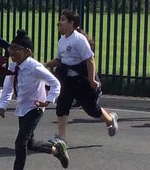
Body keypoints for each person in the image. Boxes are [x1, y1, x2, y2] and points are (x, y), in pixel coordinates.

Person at [0, 33, 68, 170]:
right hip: (22, 107)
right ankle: (56, 150)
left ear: (27, 52)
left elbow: (55, 83)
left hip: (35, 107)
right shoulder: (13, 66)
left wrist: (48, 100)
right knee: (31, 143)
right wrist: (2, 105)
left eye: (16, 49)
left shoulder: (35, 67)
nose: (11, 52)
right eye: (10, 48)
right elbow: (8, 86)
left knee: (20, 142)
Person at [45, 9, 118, 142]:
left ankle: (110, 119)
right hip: (67, 80)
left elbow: (90, 59)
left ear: (71, 23)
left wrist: (91, 79)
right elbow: (59, 60)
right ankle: (61, 138)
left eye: (62, 20)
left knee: (91, 109)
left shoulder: (79, 39)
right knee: (62, 106)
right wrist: (44, 65)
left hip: (81, 80)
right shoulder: (62, 41)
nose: (59, 23)